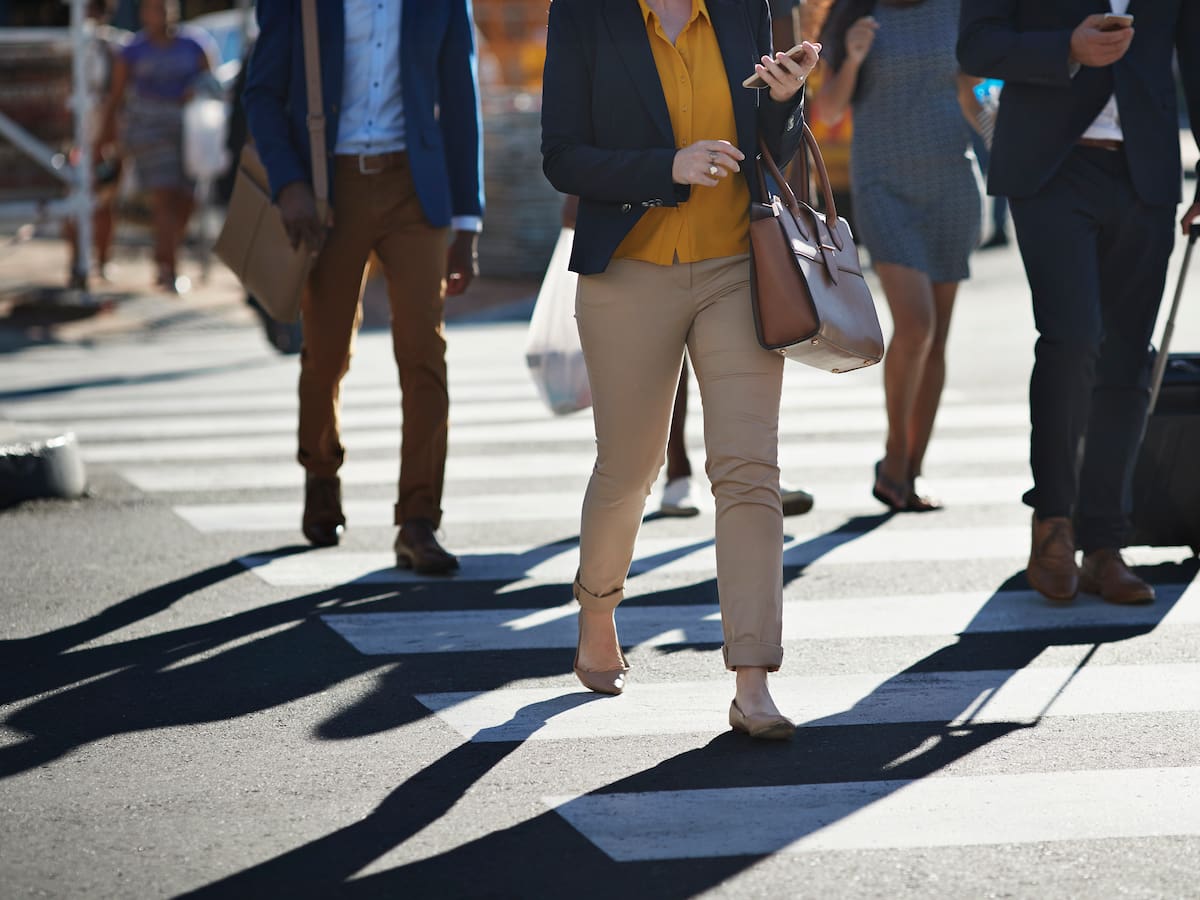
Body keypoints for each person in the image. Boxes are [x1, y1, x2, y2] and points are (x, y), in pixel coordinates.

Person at [542, 0, 817, 739]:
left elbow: (771, 147)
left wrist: (787, 102)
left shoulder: (740, 8)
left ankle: (753, 679)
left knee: (749, 468)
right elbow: (561, 155)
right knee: (628, 467)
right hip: (627, 271)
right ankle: (598, 607)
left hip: (737, 265)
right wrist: (668, 166)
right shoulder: (585, 15)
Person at [958, 3, 1200, 605]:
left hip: (1145, 171)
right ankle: (1053, 523)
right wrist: (1066, 46)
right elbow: (977, 45)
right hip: (1051, 167)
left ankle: (1104, 543)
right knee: (1073, 340)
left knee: (1126, 357)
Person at [243, 0, 484, 574]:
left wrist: (466, 221)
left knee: (424, 353)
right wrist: (290, 184)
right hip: (329, 192)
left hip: (415, 190)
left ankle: (418, 519)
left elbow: (460, 96)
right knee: (325, 354)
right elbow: (261, 94)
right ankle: (321, 470)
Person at [812, 0, 983, 514]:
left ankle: (912, 469)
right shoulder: (855, 15)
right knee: (916, 327)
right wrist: (856, 58)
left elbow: (977, 98)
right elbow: (829, 112)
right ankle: (893, 455)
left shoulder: (959, 10)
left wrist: (1011, 151)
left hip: (952, 180)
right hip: (883, 185)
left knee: (937, 339)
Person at [560, 194, 815, 519]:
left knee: (751, 348)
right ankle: (678, 471)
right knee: (667, 358)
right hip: (650, 229)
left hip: (738, 226)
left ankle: (751, 473)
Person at [97, 0, 214, 293]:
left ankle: (164, 252)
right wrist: (105, 137)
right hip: (148, 130)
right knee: (165, 195)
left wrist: (196, 91)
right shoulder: (134, 50)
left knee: (188, 198)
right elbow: (116, 97)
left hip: (189, 132)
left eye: (165, 7)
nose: (160, 14)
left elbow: (212, 82)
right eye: (153, 8)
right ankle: (168, 269)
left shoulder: (195, 43)